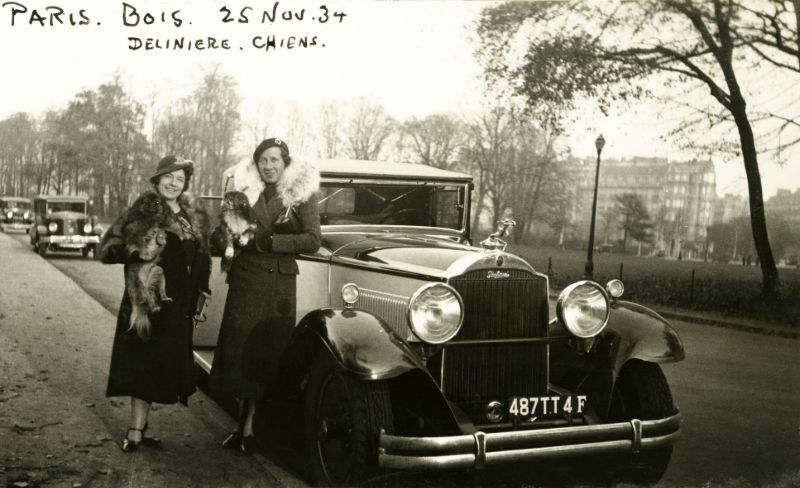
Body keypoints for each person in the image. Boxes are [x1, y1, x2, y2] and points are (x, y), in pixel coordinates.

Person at [209, 138, 321, 455]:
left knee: (266, 355)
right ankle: (242, 426)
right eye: (263, 161)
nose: (269, 166)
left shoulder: (302, 193)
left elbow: (313, 239)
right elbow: (227, 233)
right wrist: (224, 235)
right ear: (256, 165)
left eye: (275, 160)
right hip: (247, 281)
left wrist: (270, 241)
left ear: (285, 163)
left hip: (277, 287)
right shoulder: (244, 193)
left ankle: (254, 428)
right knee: (241, 354)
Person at [100, 156, 211, 452]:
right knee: (142, 365)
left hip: (178, 305)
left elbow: (199, 256)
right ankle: (135, 431)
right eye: (169, 177)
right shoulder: (145, 207)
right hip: (147, 304)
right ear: (157, 179)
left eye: (180, 178)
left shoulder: (190, 215)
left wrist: (201, 293)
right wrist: (140, 248)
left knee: (159, 369)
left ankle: (141, 428)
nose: (174, 183)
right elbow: (107, 248)